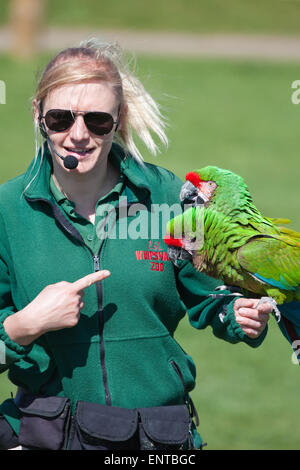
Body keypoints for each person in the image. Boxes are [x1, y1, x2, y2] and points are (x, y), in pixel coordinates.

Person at [0, 39, 274, 451]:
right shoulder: (7, 210)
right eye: (60, 118)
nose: (78, 136)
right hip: (46, 433)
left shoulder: (170, 198)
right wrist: (25, 325)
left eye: (97, 121)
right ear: (39, 115)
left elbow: (211, 296)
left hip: (156, 437)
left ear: (118, 118)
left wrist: (237, 312)